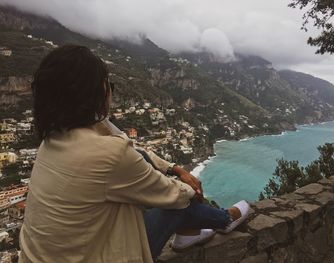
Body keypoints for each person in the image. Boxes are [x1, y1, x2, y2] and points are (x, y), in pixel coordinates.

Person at [19, 45, 250, 263]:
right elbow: (173, 195)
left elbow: (134, 150)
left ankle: (190, 233)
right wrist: (192, 188)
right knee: (176, 205)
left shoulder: (51, 141)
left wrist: (174, 168)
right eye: (108, 86)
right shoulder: (109, 154)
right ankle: (225, 219)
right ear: (98, 92)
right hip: (96, 255)